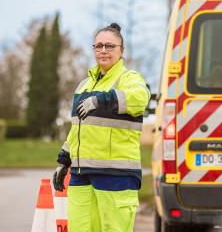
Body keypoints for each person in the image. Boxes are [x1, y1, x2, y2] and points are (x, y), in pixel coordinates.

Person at [53, 23, 150, 232]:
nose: (103, 51)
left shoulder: (129, 78)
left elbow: (141, 98)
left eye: (109, 46)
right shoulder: (84, 85)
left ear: (121, 51)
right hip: (82, 175)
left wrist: (104, 100)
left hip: (116, 176)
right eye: (98, 46)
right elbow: (78, 130)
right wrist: (64, 159)